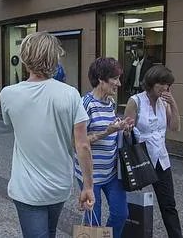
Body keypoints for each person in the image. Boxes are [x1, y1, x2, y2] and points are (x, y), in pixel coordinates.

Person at [0, 31, 95, 238]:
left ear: (24, 58)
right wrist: (88, 186)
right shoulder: (70, 94)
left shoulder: (8, 94)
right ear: (55, 59)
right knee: (50, 232)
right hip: (59, 185)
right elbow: (83, 145)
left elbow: (11, 123)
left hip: (26, 187)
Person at [76, 57, 134, 237]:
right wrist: (108, 132)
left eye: (119, 78)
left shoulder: (110, 102)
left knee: (120, 214)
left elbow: (111, 131)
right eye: (114, 79)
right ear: (101, 79)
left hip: (111, 171)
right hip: (90, 174)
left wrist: (123, 129)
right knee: (93, 220)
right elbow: (78, 141)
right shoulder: (85, 104)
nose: (118, 83)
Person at [124, 65, 182, 238]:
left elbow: (175, 127)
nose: (165, 88)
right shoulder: (135, 101)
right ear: (151, 83)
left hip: (161, 159)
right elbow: (126, 131)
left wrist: (174, 104)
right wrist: (126, 129)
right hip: (140, 157)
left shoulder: (164, 102)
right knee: (128, 200)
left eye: (167, 85)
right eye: (161, 84)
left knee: (168, 204)